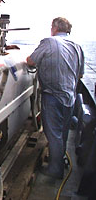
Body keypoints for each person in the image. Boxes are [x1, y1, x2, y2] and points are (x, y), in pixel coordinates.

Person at [26, 17, 84, 179]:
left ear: (54, 28)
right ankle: (59, 159)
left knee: (54, 135)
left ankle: (55, 170)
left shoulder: (49, 42)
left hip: (53, 96)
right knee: (63, 132)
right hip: (70, 97)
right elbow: (79, 74)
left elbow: (31, 61)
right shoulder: (77, 47)